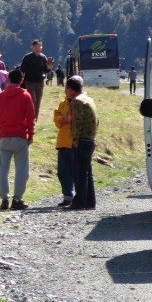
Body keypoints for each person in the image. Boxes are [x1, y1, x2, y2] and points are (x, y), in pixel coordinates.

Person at [0, 69, 35, 210]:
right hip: (20, 136)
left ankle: (4, 199)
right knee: (22, 169)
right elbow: (30, 118)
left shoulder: (0, 96)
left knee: (3, 169)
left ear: (8, 80)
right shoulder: (25, 95)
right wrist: (30, 135)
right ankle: (17, 199)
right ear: (22, 80)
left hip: (4, 136)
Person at [65, 76, 98, 210]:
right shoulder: (89, 99)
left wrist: (75, 140)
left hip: (82, 140)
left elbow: (77, 123)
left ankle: (80, 201)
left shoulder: (77, 102)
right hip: (90, 138)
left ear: (71, 90)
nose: (65, 92)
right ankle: (90, 201)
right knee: (87, 172)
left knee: (80, 173)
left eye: (66, 89)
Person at [52, 91, 76, 207]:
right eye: (67, 90)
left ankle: (77, 196)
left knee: (75, 171)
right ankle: (68, 196)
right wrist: (63, 119)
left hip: (75, 142)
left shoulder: (81, 103)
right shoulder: (63, 103)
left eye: (71, 90)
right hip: (62, 142)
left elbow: (79, 119)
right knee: (62, 172)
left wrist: (66, 119)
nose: (69, 92)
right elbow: (57, 121)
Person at [19, 39, 53, 118]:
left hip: (40, 82)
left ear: (41, 48)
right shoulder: (27, 57)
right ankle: (30, 118)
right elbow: (22, 70)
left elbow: (46, 70)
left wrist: (49, 67)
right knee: (32, 100)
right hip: (29, 82)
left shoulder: (43, 57)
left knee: (38, 102)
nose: (38, 48)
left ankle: (35, 119)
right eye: (36, 47)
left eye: (39, 46)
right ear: (32, 47)